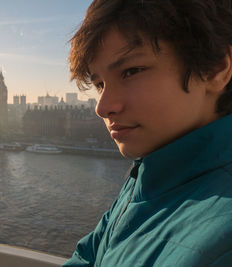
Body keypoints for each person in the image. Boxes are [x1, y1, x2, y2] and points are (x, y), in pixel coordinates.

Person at [64, 0, 232, 266]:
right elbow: (91, 254)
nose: (103, 107)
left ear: (215, 69)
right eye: (99, 84)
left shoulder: (220, 247)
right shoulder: (150, 174)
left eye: (131, 71)